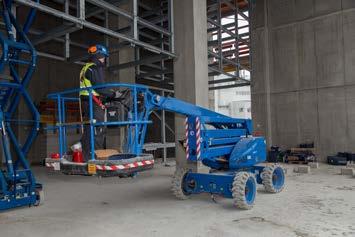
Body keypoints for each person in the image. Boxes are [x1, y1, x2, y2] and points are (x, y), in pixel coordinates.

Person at [79, 44, 111, 161]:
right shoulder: (96, 67)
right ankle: (94, 157)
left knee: (89, 128)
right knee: (98, 128)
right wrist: (113, 94)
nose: (104, 60)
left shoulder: (86, 67)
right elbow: (100, 87)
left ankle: (86, 155)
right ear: (99, 56)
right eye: (104, 57)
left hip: (87, 101)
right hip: (93, 101)